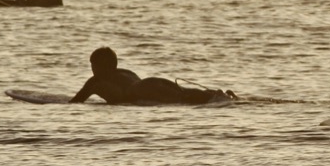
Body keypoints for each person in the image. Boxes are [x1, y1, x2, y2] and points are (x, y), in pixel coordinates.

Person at [70, 47, 236, 105]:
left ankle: (217, 97)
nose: (92, 69)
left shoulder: (96, 80)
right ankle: (219, 95)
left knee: (181, 100)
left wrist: (44, 103)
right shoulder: (125, 72)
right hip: (152, 81)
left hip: (140, 91)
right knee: (183, 93)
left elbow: (75, 102)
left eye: (93, 65)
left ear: (99, 66)